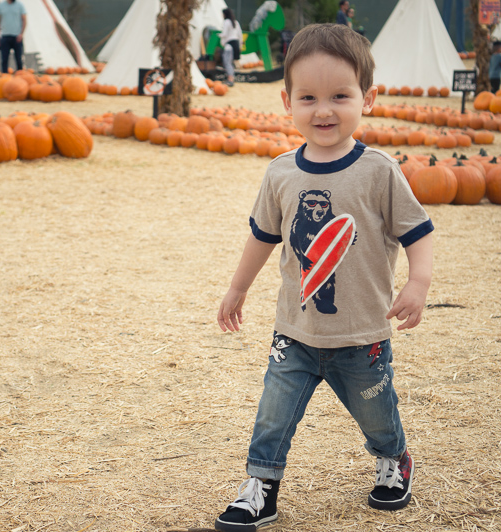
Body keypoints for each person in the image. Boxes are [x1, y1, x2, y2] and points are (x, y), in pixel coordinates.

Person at [214, 23, 434, 531]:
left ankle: (393, 458)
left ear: (369, 98)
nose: (324, 110)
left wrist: (418, 282)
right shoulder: (281, 173)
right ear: (287, 100)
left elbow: (418, 231)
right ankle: (261, 486)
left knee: (377, 416)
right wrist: (238, 287)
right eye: (308, 97)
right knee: (273, 414)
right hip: (295, 332)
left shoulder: (378, 170)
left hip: (362, 337)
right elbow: (263, 236)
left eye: (340, 95)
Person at [0, 0, 26, 73]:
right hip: (5, 36)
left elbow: (24, 19)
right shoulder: (1, 6)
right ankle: (5, 76)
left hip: (17, 36)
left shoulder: (20, 5)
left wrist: (21, 33)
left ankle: (20, 75)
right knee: (4, 59)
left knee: (19, 59)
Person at [220, 8, 241, 87]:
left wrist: (219, 35)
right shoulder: (235, 22)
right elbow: (240, 35)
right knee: (231, 62)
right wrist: (240, 45)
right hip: (235, 43)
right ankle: (231, 77)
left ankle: (230, 79)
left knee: (227, 62)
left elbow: (224, 34)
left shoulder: (226, 22)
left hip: (229, 45)